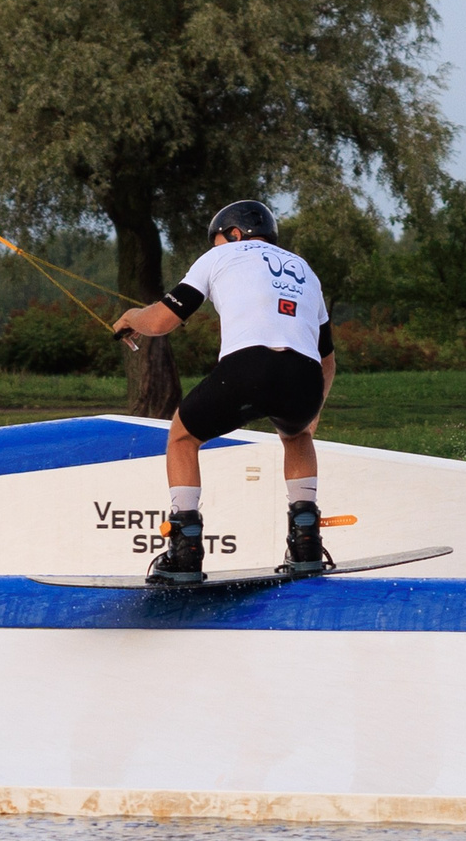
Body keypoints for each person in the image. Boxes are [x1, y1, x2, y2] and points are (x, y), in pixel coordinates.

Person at [110, 199, 336, 585]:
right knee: (297, 436)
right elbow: (327, 359)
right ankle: (306, 543)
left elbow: (163, 320)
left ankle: (184, 547)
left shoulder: (222, 256)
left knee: (182, 434)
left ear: (233, 234)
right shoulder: (305, 270)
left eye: (216, 240)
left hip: (249, 367)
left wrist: (132, 318)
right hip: (305, 375)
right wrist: (313, 410)